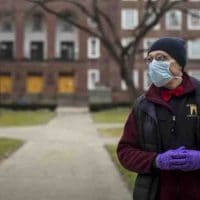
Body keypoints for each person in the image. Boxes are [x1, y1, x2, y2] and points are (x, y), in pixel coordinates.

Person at [117, 37, 200, 200]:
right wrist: (156, 161)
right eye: (150, 59)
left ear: (179, 64)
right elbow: (125, 151)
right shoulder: (143, 105)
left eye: (161, 58)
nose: (154, 64)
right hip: (155, 194)